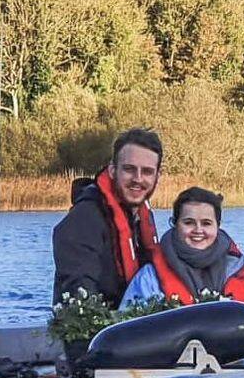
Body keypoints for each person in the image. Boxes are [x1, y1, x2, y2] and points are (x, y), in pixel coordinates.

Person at [120, 185, 244, 317]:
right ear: (175, 224)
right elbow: (127, 327)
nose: (198, 230)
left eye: (206, 223)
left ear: (218, 226)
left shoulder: (238, 270)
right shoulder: (149, 278)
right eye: (189, 222)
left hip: (237, 353)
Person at [52, 128, 165, 307]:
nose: (138, 179)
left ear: (158, 176)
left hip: (134, 327)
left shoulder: (139, 218)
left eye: (147, 172)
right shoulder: (83, 220)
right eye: (129, 169)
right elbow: (78, 290)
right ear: (112, 170)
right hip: (96, 332)